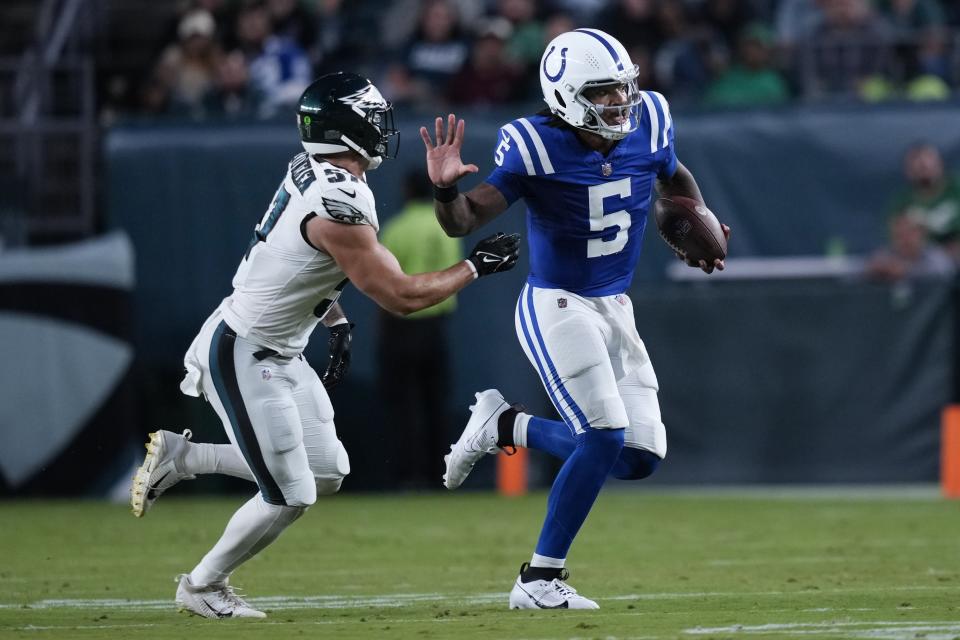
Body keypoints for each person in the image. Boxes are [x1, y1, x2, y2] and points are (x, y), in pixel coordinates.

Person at [129, 71, 520, 619]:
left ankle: (185, 456)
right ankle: (202, 585)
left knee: (326, 471)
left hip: (282, 344)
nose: (383, 126)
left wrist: (333, 318)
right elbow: (401, 297)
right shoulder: (339, 200)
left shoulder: (320, 174)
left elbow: (291, 258)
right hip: (245, 349)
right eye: (373, 117)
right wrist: (474, 267)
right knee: (290, 494)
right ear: (346, 128)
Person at [420, 28, 729, 609]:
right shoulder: (534, 144)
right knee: (604, 435)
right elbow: (464, 221)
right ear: (565, 95)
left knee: (638, 457)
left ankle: (506, 426)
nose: (620, 103)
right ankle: (538, 579)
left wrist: (697, 223)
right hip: (557, 302)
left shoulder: (651, 119)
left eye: (624, 88)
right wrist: (443, 191)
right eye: (605, 92)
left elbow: (674, 175)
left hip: (615, 303)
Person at [377, 171, 463, 489]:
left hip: (400, 325)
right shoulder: (443, 229)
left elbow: (383, 285)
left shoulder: (396, 228)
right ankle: (441, 473)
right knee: (436, 402)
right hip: (436, 325)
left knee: (404, 404)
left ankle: (407, 475)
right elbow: (454, 275)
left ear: (405, 190)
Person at [887, 143, 960, 263]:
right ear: (908, 171)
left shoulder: (956, 190)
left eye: (927, 165)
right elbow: (897, 241)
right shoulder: (902, 203)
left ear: (940, 164)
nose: (923, 170)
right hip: (920, 262)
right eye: (918, 167)